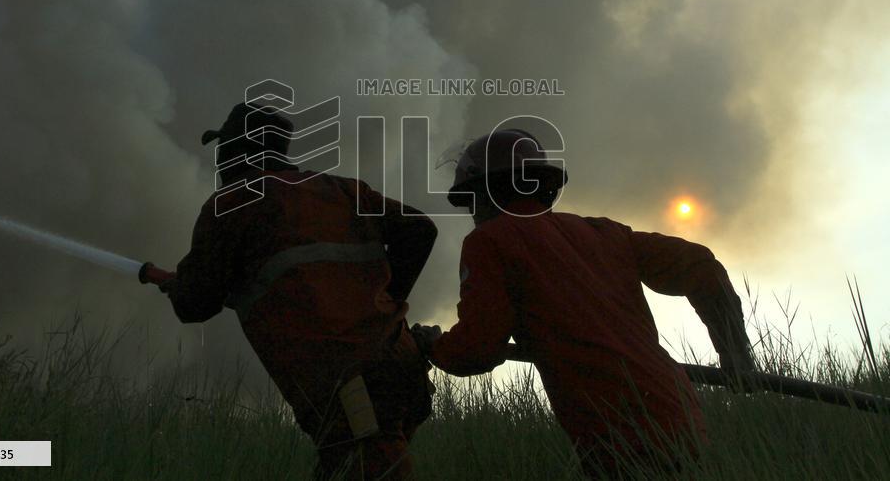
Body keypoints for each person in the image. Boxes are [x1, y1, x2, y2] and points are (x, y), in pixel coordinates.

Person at [412, 129, 754, 477]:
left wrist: (433, 346)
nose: (472, 211)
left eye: (472, 200)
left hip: (621, 437)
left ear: (488, 193)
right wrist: (736, 353)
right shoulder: (606, 233)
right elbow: (703, 267)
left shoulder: (489, 242)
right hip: (681, 416)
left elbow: (476, 348)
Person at [160, 102, 438, 480]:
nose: (219, 161)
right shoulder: (341, 190)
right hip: (402, 365)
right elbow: (420, 230)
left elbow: (194, 304)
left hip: (348, 388)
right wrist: (388, 309)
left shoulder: (232, 205)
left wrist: (179, 287)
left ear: (241, 150)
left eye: (224, 149)